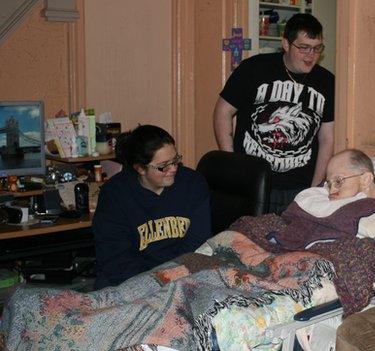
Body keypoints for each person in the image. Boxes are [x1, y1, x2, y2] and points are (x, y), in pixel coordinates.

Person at [213, 13, 335, 215]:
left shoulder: (327, 82)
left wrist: (315, 188)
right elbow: (223, 111)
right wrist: (231, 164)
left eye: (316, 48)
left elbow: (327, 137)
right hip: (251, 180)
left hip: (298, 186)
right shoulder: (254, 68)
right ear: (286, 44)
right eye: (303, 47)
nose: (311, 55)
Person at [92, 125, 211, 289]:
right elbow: (115, 259)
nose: (173, 169)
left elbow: (198, 244)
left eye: (176, 160)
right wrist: (153, 284)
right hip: (131, 280)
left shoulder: (192, 184)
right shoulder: (115, 194)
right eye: (163, 166)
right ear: (140, 168)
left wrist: (174, 278)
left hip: (182, 276)